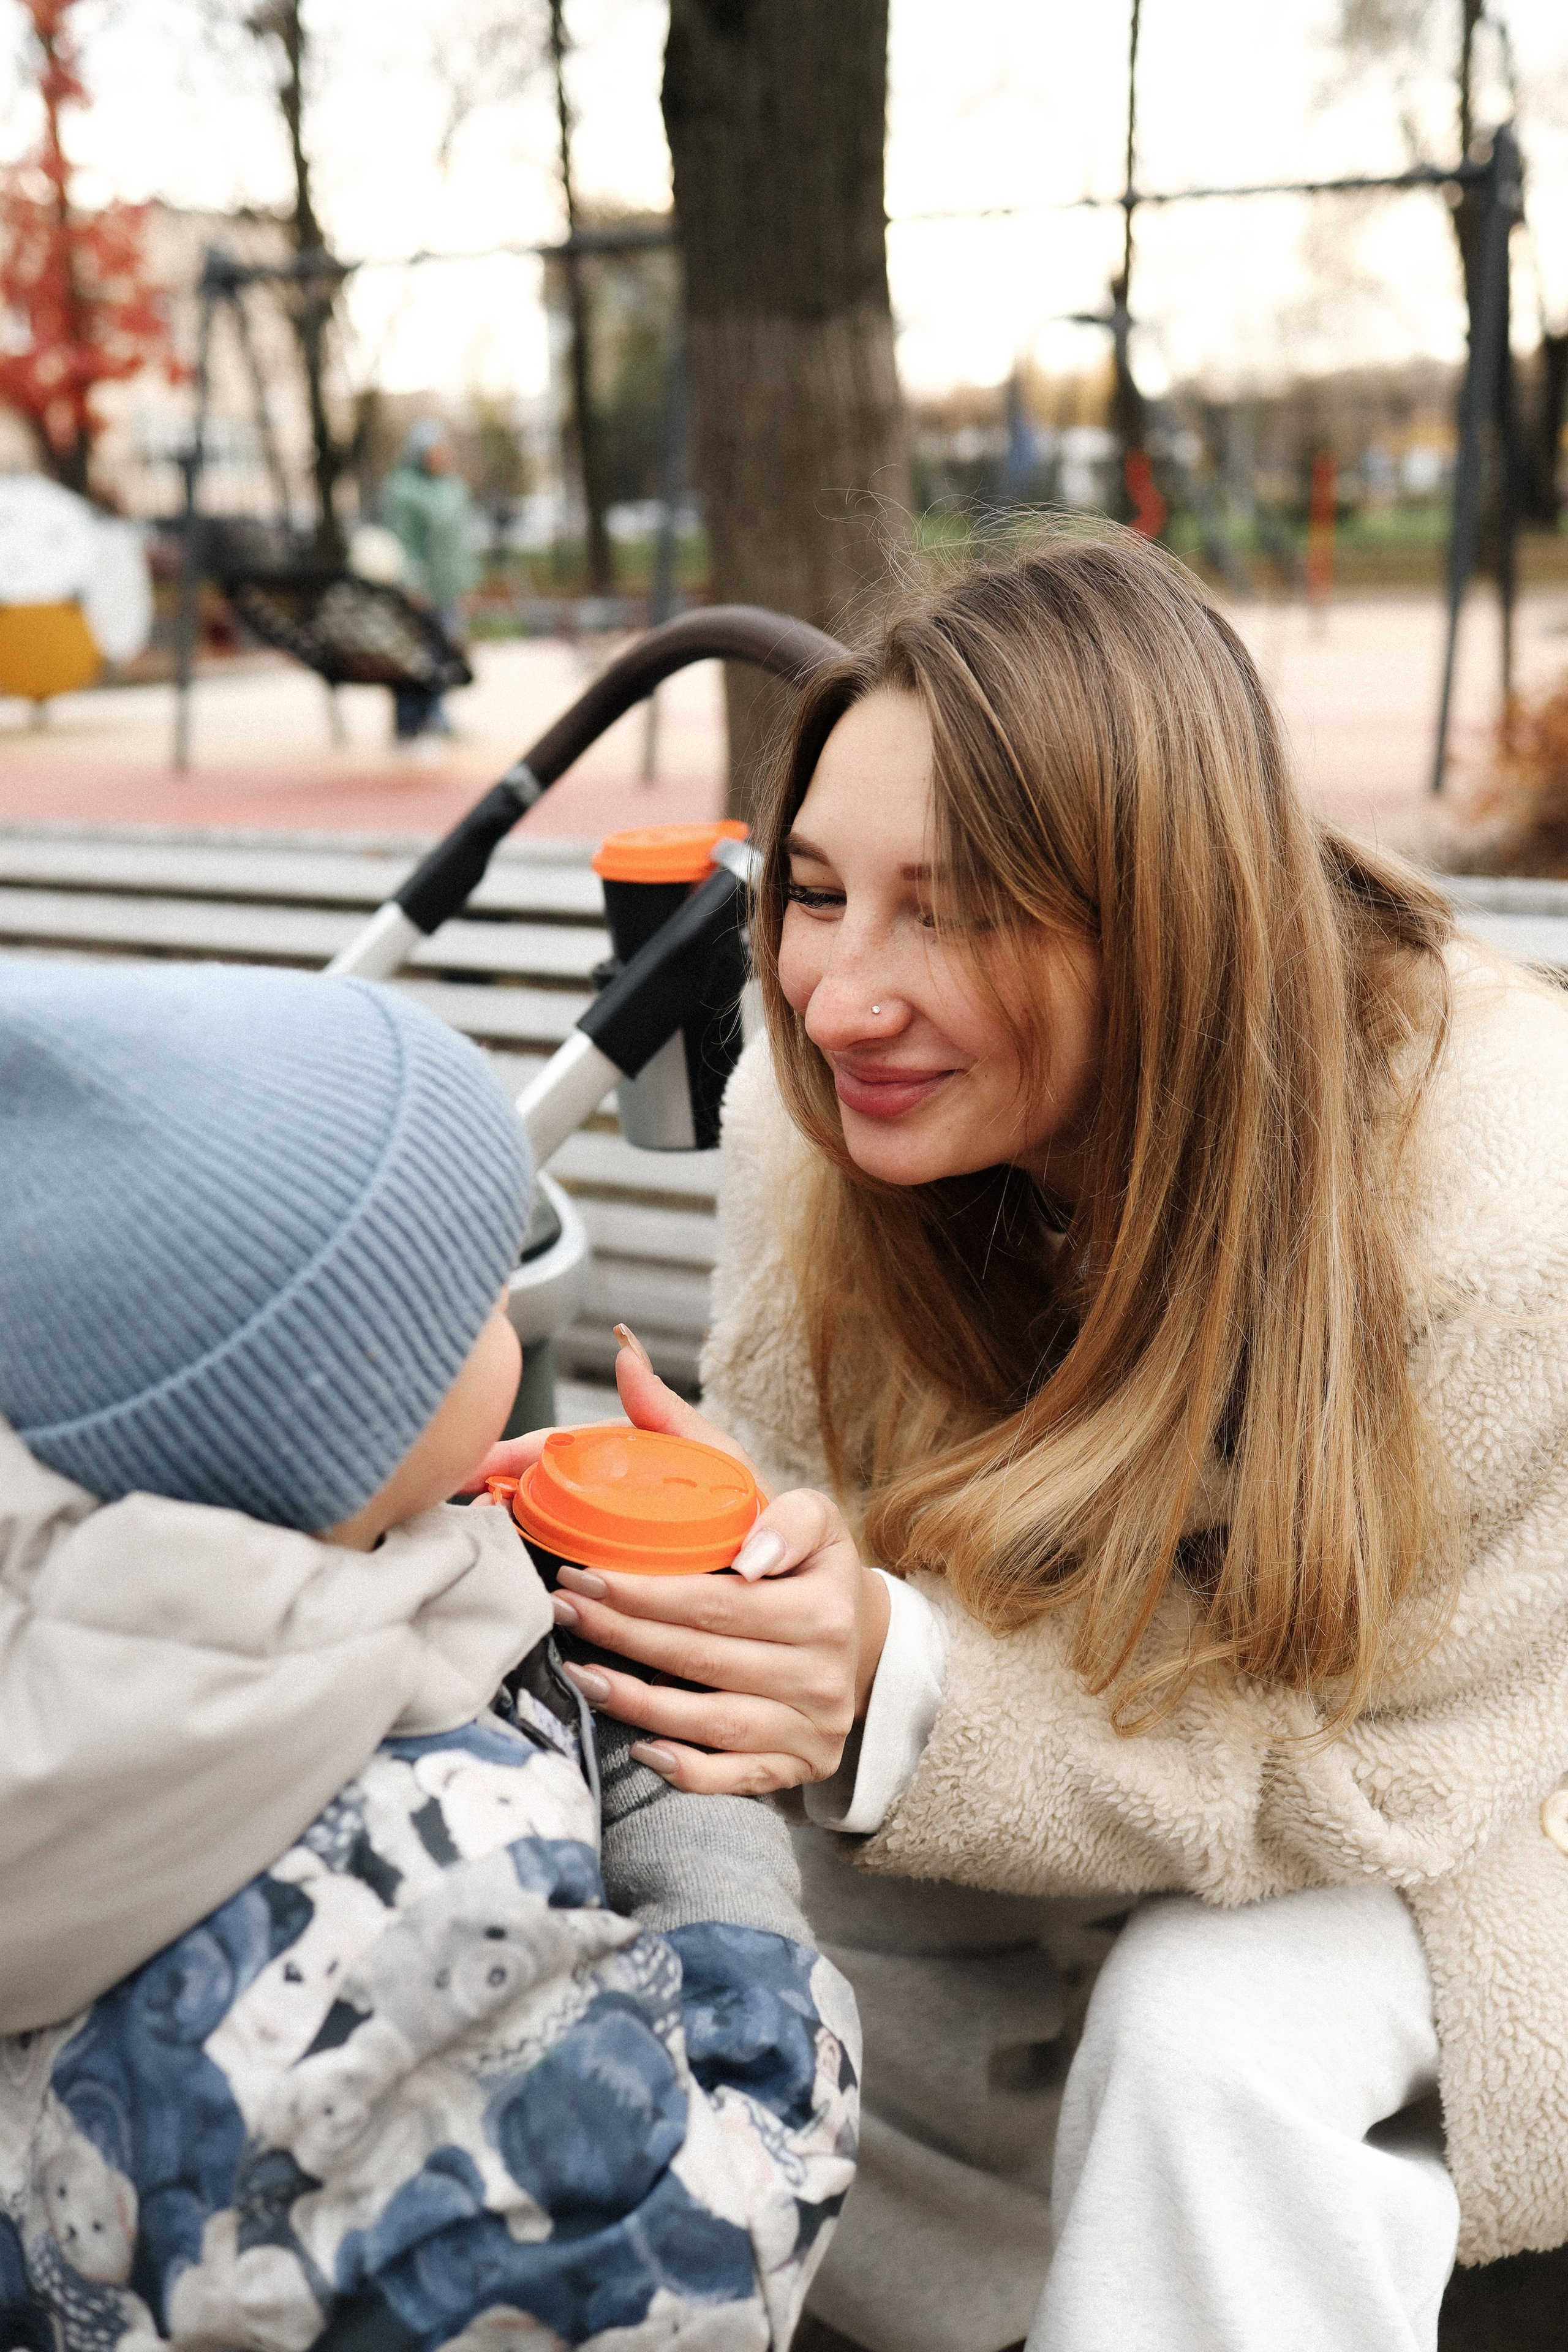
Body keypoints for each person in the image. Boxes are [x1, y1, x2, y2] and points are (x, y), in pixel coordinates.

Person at [478, 526, 1568, 2352]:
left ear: (1158, 909)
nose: (838, 995)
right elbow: (823, 1578)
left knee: (1212, 2036)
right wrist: (741, 1582)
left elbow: (1400, 1782)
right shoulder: (809, 1106)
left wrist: (900, 1690)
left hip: (1484, 1799)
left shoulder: (1499, 1191)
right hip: (1077, 1769)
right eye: (813, 890)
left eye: (957, 904)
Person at [0, 961, 858, 2352]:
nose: (507, 1303)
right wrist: (683, 1790)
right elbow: (711, 2246)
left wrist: (453, 1547)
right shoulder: (428, 1881)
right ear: (334, 1410)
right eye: (470, 1284)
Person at [379, 418, 476, 750]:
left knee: (445, 653)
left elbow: (459, 539)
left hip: (448, 585)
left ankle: (436, 715)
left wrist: (465, 582)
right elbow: (402, 541)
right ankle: (409, 721)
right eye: (435, 449)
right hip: (419, 589)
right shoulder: (403, 489)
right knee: (415, 655)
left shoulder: (451, 486)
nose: (442, 454)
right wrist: (410, 582)